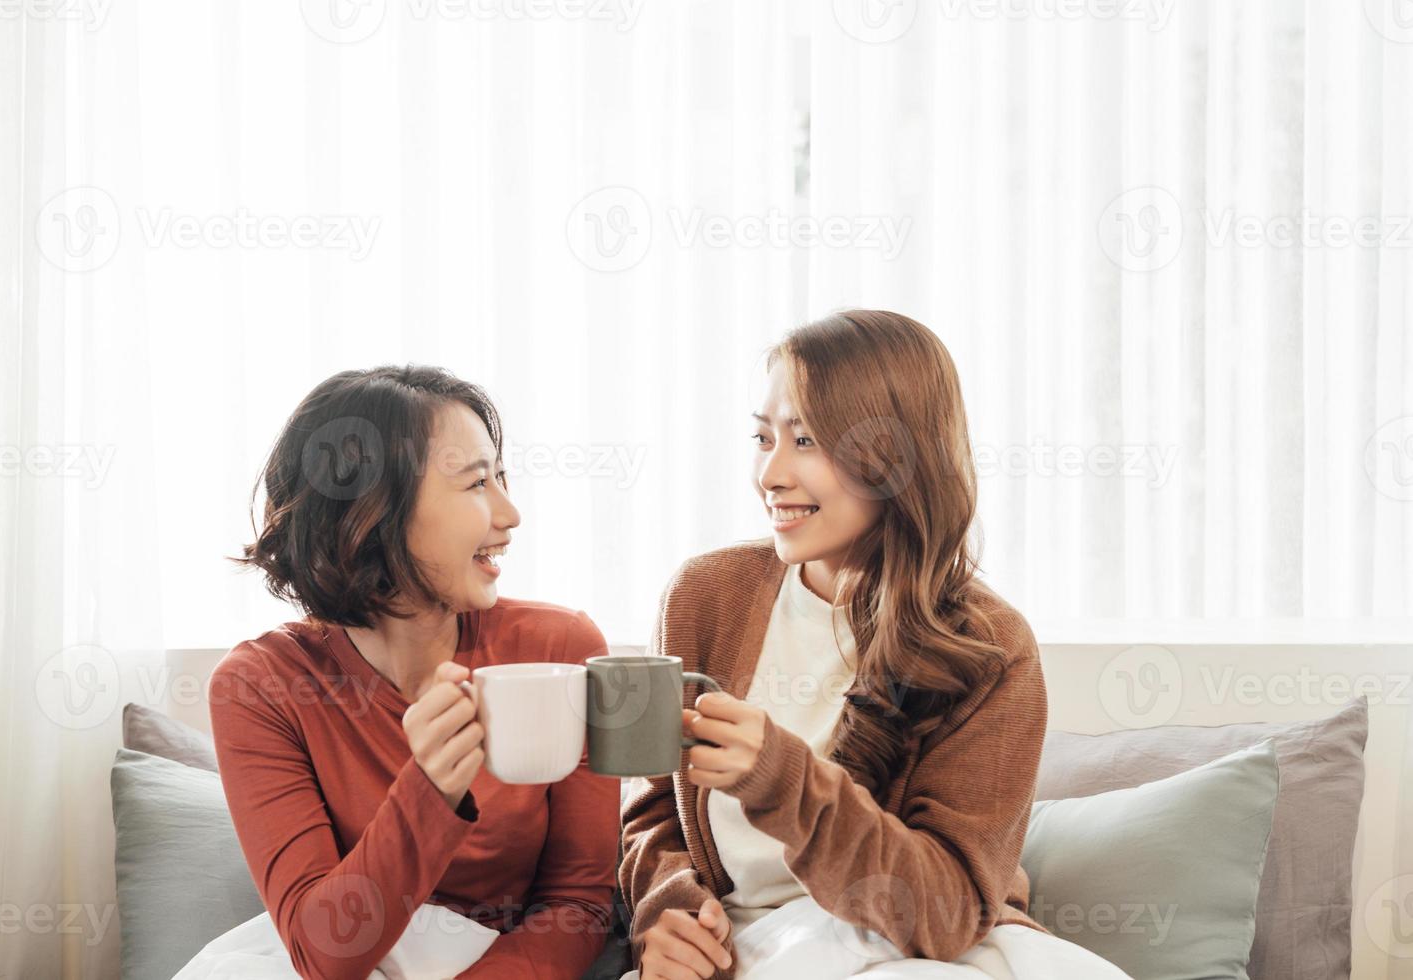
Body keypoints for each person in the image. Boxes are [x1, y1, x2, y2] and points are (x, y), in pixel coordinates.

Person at [619, 311, 1131, 980]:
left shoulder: (987, 646)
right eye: (762, 436)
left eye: (806, 440)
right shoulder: (704, 597)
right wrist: (667, 910)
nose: (770, 474)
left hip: (906, 950)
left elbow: (945, 914)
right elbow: (654, 809)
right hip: (751, 953)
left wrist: (782, 777)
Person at [204, 365, 617, 979]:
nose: (511, 515)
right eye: (478, 483)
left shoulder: (559, 648)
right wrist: (430, 792)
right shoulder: (260, 685)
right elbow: (324, 955)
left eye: (501, 478)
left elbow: (578, 902)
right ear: (372, 511)